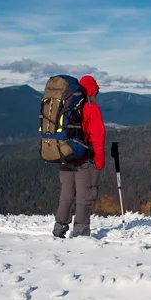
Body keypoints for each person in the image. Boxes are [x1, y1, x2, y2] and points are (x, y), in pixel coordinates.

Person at [52, 75, 106, 238]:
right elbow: (98, 136)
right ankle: (80, 236)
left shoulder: (65, 105)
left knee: (66, 196)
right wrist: (99, 161)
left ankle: (58, 231)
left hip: (65, 155)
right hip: (84, 161)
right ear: (93, 90)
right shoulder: (91, 107)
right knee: (85, 197)